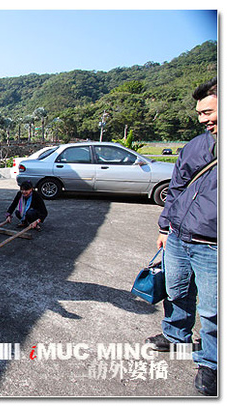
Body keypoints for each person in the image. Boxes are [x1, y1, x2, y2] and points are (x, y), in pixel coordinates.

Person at [145, 77, 217, 396]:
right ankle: (176, 336)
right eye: (201, 113)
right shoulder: (196, 145)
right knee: (176, 291)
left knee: (214, 310)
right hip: (178, 236)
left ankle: (211, 363)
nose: (205, 119)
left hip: (214, 244)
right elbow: (176, 187)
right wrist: (165, 227)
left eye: (211, 111)